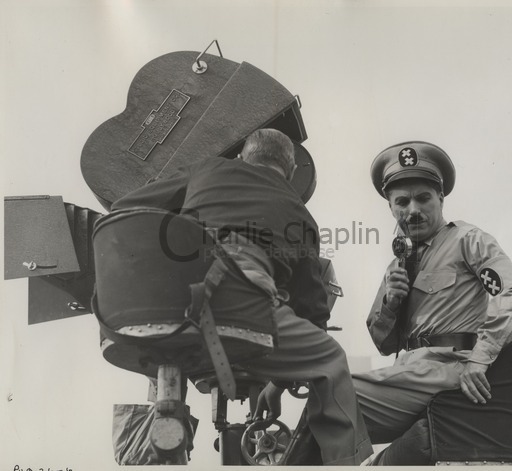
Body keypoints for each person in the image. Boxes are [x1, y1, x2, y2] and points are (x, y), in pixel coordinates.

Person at [111, 128, 373, 465]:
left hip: (172, 309)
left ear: (241, 158)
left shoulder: (205, 170)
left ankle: (152, 448)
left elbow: (126, 209)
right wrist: (278, 384)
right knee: (331, 361)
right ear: (291, 173)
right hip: (243, 315)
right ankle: (347, 463)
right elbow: (312, 315)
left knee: (166, 357)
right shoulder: (300, 214)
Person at [352, 141, 512, 465]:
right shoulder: (398, 264)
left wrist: (479, 360)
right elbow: (383, 344)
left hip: (448, 370)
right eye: (402, 202)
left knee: (335, 393)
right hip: (409, 375)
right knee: (326, 412)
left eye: (423, 198)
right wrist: (392, 303)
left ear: (440, 197)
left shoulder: (467, 240)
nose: (413, 210)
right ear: (391, 208)